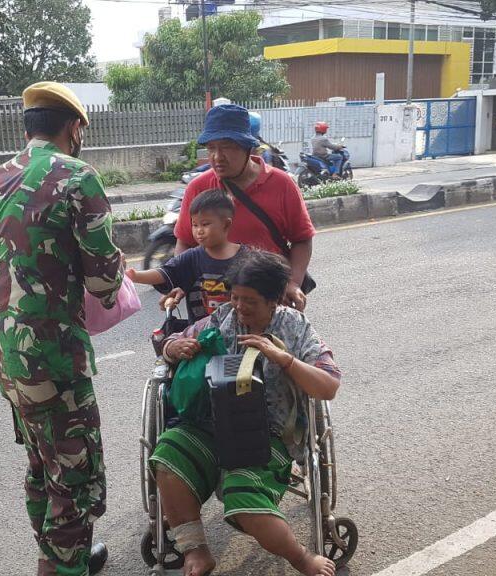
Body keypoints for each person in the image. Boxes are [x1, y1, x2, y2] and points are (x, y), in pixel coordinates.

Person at [0, 81, 123, 576]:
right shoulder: (78, 177)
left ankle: (61, 557)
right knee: (75, 478)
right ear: (74, 127)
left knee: (42, 464)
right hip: (53, 359)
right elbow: (104, 277)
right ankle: (61, 569)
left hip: (6, 359)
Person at [151, 249, 341, 576]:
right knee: (168, 453)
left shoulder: (294, 327)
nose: (239, 307)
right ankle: (196, 551)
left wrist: (283, 358)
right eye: (235, 297)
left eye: (250, 301)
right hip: (212, 425)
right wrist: (173, 347)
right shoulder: (222, 317)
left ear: (273, 301)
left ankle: (302, 559)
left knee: (243, 498)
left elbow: (329, 386)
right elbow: (170, 344)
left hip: (268, 436)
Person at [174, 104, 315, 311]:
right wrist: (180, 281)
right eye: (211, 148)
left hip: (268, 301)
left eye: (227, 147)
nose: (217, 156)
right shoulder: (198, 187)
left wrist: (293, 282)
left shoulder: (282, 184)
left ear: (248, 148)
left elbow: (302, 239)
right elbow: (184, 243)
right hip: (214, 304)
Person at [127, 189, 244, 323]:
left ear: (226, 224)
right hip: (199, 338)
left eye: (205, 224)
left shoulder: (247, 258)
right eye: (195, 225)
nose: (199, 231)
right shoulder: (192, 257)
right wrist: (134, 276)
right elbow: (165, 273)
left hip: (238, 335)